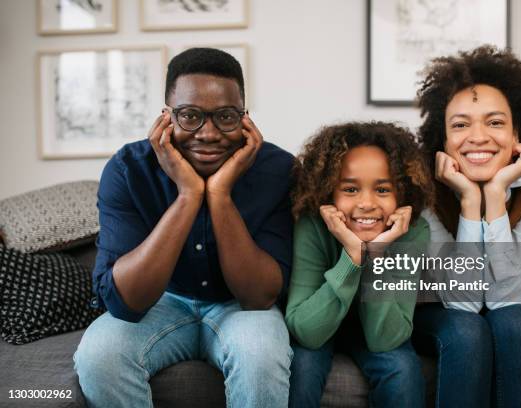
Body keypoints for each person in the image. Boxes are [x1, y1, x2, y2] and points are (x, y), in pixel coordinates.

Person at [73, 48, 294, 408]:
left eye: (225, 116)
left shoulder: (278, 171)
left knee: (260, 355)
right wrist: (188, 195)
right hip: (162, 303)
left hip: (237, 307)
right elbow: (125, 302)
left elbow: (258, 297)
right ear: (167, 117)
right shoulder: (129, 169)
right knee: (99, 357)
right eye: (190, 115)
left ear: (245, 118)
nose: (208, 133)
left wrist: (220, 194)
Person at [413, 45, 521, 408]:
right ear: (442, 141)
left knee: (515, 322)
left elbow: (505, 299)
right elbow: (462, 303)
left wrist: (493, 196)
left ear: (516, 136)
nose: (478, 137)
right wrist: (468, 201)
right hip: (437, 305)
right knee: (466, 330)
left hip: (513, 298)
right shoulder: (421, 187)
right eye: (460, 125)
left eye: (495, 122)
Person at [286, 122, 434, 407]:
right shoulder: (313, 226)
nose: (366, 203)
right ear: (329, 192)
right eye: (351, 189)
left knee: (403, 370)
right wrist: (352, 258)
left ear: (401, 194)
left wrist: (376, 254)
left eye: (382, 190)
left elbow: (385, 339)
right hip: (322, 321)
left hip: (374, 326)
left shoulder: (412, 231)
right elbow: (307, 332)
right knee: (301, 368)